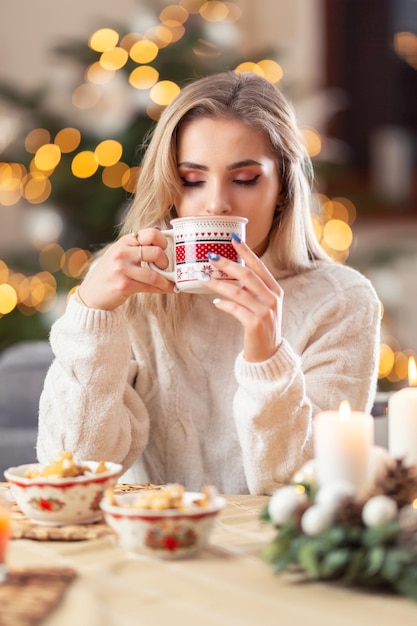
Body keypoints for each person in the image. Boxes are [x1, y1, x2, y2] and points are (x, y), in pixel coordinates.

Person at [37, 71, 381, 495]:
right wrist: (93, 315)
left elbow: (309, 495)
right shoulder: (128, 291)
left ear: (283, 190)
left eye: (245, 179)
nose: (216, 203)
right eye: (192, 179)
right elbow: (68, 473)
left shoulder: (342, 302)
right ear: (170, 188)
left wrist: (267, 357)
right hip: (148, 548)